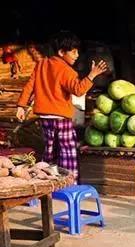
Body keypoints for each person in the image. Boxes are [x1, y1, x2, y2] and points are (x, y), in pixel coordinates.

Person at [16, 31, 108, 181]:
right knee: (68, 151)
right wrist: (92, 75)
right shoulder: (67, 71)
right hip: (61, 118)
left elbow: (29, 86)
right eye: (73, 52)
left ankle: (45, 182)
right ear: (61, 52)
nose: (77, 55)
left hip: (45, 118)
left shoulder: (41, 65)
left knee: (50, 151)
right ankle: (69, 182)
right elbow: (78, 91)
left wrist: (21, 106)